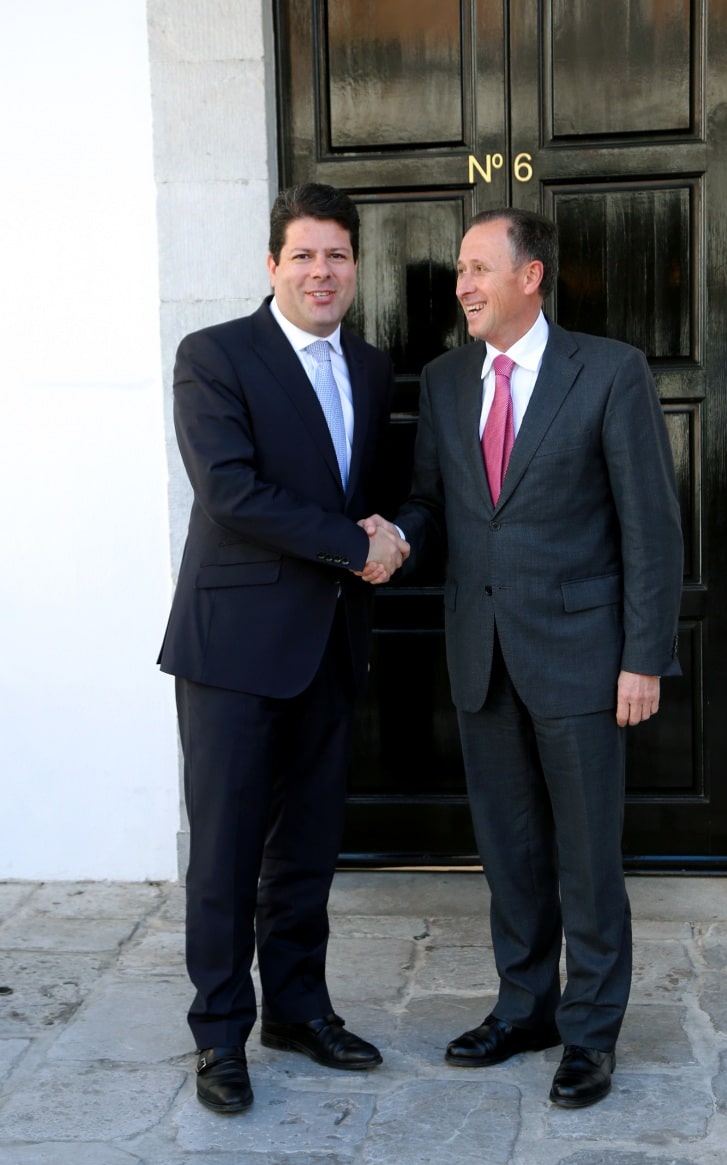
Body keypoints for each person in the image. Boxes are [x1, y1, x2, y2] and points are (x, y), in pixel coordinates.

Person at [364, 208, 683, 1108]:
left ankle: (591, 1032)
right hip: (482, 651)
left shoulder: (609, 371)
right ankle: (524, 1008)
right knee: (509, 852)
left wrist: (644, 657)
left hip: (583, 657)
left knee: (587, 857)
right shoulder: (446, 380)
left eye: (478, 268)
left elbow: (651, 528)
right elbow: (434, 502)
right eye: (461, 270)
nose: (461, 285)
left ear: (530, 276)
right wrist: (398, 536)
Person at [158, 183, 408, 1114]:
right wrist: (355, 545)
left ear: (356, 267)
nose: (320, 271)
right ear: (273, 265)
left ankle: (298, 1010)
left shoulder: (372, 368)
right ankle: (220, 1035)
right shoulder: (215, 355)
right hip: (232, 649)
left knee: (306, 848)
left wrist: (394, 535)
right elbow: (230, 492)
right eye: (303, 254)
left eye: (336, 255)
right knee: (225, 854)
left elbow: (372, 491)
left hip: (330, 644)